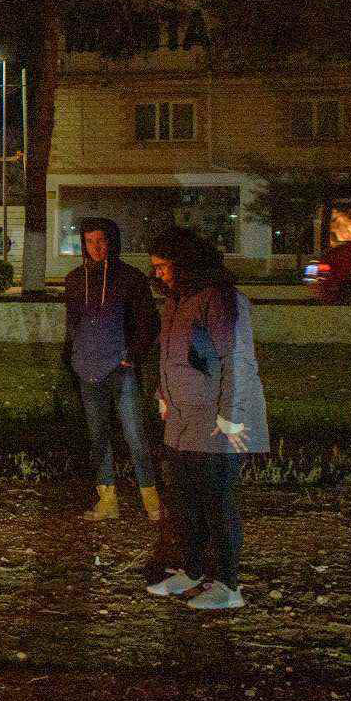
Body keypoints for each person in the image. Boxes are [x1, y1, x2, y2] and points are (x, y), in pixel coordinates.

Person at [146, 228, 268, 611]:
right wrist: (162, 394)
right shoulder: (177, 301)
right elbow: (174, 356)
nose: (160, 275)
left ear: (186, 264)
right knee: (185, 502)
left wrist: (231, 417)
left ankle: (229, 586)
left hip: (215, 422)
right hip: (181, 421)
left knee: (217, 503)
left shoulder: (219, 300)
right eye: (156, 268)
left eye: (164, 267)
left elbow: (237, 360)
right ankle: (193, 571)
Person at [64, 218, 162, 522]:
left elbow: (148, 322)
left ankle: (152, 502)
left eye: (102, 241)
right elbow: (73, 324)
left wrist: (131, 355)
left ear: (112, 242)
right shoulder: (75, 279)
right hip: (87, 370)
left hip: (121, 369)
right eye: (90, 241)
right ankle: (108, 500)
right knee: (98, 436)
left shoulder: (130, 278)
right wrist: (73, 359)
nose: (96, 247)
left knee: (135, 434)